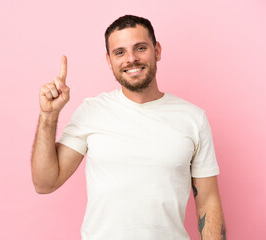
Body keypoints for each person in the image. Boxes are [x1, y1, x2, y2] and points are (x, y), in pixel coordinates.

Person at [31, 15, 226, 240]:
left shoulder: (193, 118)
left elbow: (208, 202)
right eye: (120, 52)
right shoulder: (92, 111)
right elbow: (45, 183)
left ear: (157, 51)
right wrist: (48, 115)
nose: (131, 59)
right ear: (109, 60)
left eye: (140, 48)